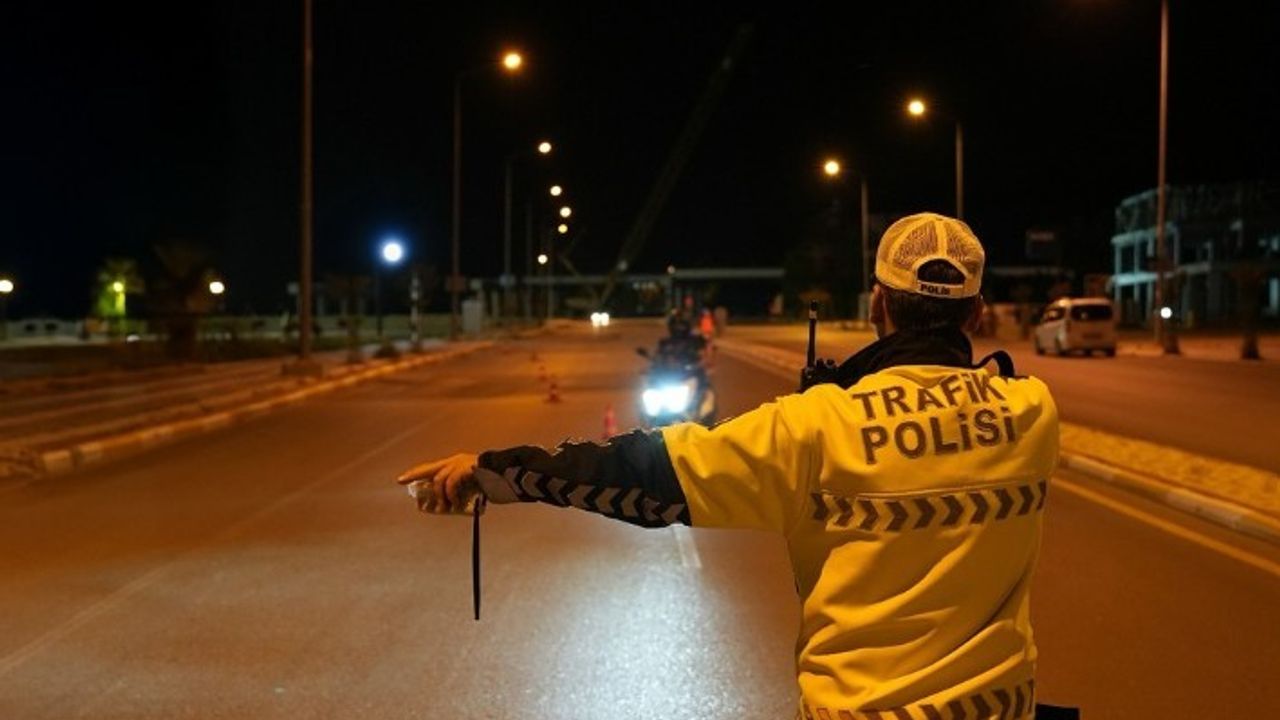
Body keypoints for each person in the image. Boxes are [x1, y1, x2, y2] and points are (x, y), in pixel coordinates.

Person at [398, 212, 1062, 719]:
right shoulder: (1033, 413)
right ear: (977, 312)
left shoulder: (815, 426)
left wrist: (494, 471)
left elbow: (643, 472)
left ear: (877, 305)